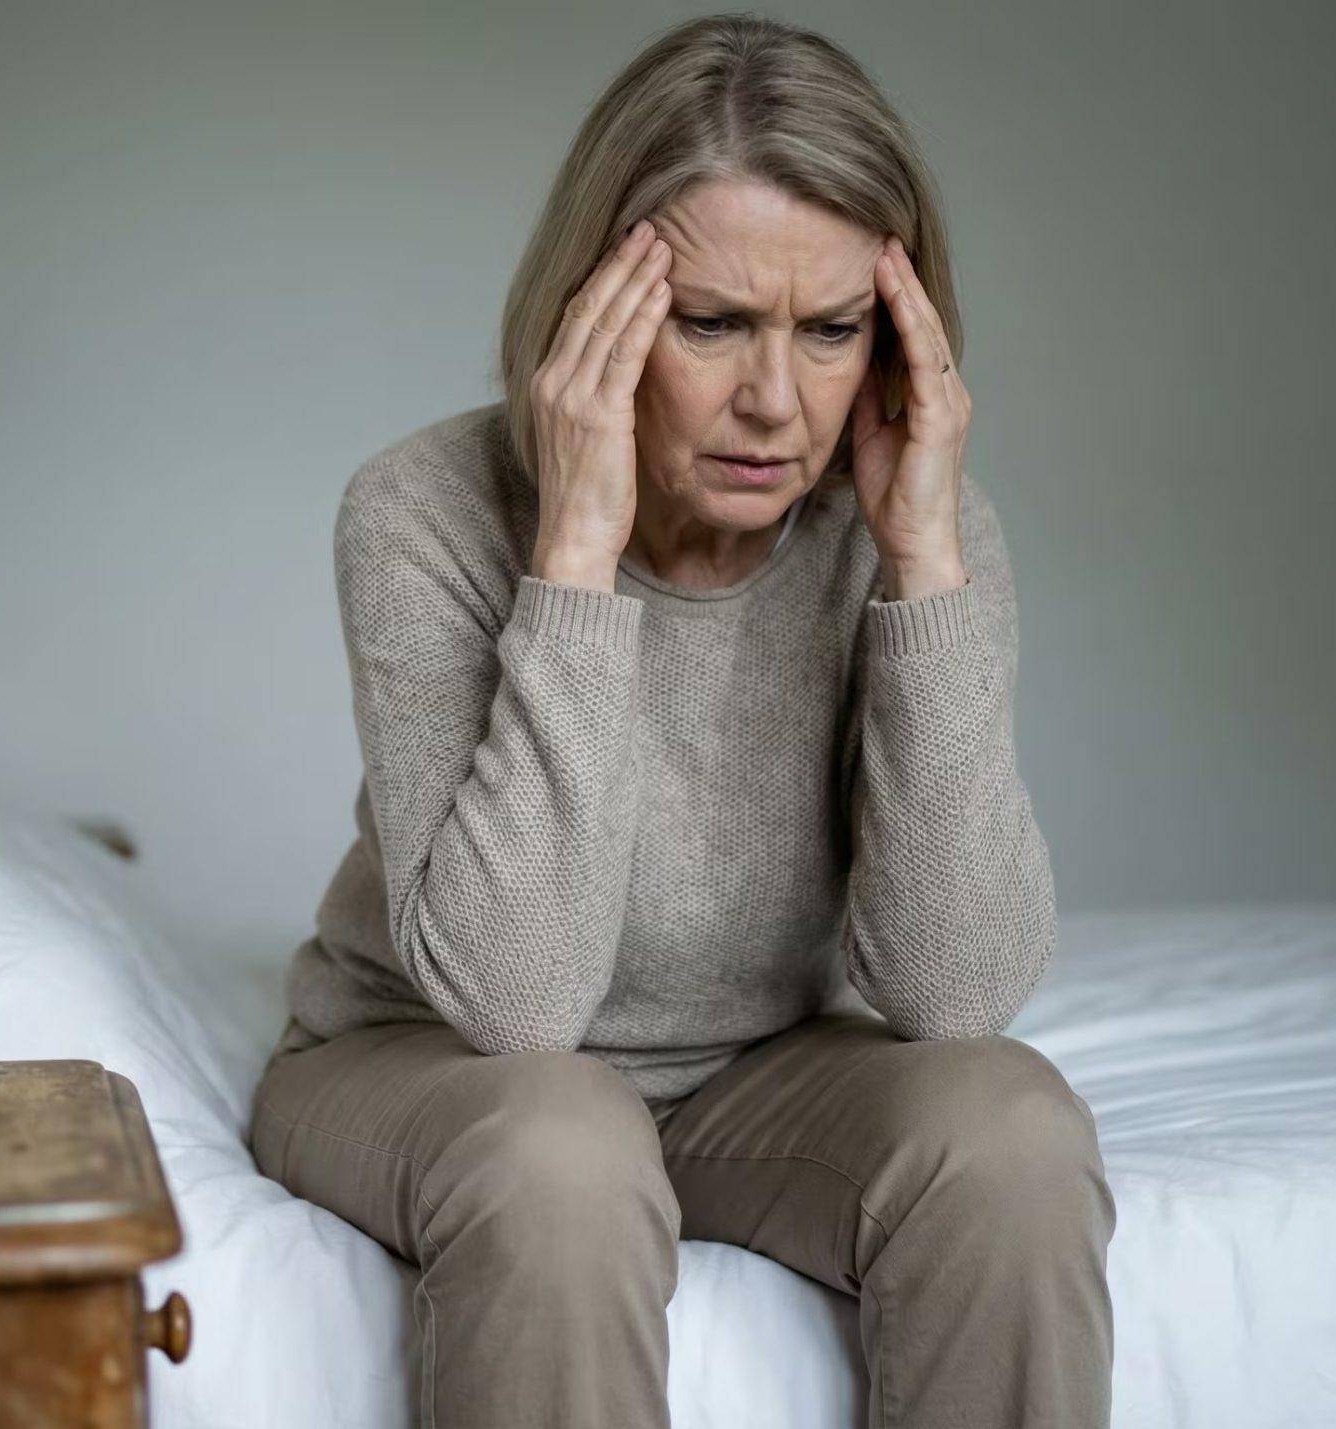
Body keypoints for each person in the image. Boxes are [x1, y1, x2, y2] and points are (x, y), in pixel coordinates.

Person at [244, 13, 1113, 1428]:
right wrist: (576, 557)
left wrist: (925, 570)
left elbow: (953, 995)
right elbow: (516, 1006)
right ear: (598, 310)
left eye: (831, 331)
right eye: (711, 324)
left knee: (1009, 1125)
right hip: (434, 1064)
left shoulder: (913, 533)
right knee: (563, 1140)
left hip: (755, 1076)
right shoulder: (419, 513)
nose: (776, 402)